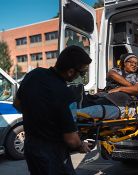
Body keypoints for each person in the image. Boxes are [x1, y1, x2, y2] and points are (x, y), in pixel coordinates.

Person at [13, 45, 92, 175]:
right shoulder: (66, 95)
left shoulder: (34, 74)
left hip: (31, 147)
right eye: (82, 73)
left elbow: (17, 104)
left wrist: (36, 116)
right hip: (53, 152)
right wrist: (81, 145)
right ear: (71, 71)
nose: (81, 76)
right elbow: (71, 140)